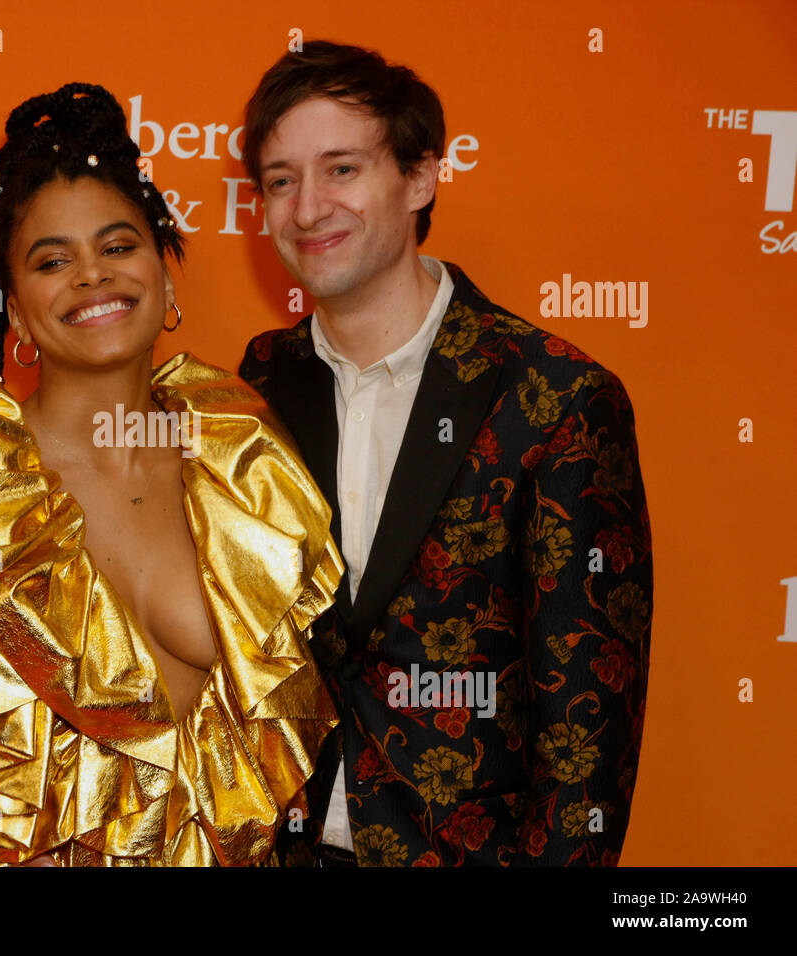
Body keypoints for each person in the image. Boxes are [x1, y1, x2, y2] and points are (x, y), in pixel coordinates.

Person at [0, 82, 342, 866]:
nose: (92, 275)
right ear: (15, 310)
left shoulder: (245, 461)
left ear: (164, 271)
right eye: (52, 260)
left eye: (118, 246)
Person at [237, 41, 653, 866]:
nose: (308, 207)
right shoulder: (257, 388)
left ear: (421, 176)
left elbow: (587, 737)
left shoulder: (556, 397)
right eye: (281, 180)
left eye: (342, 169)